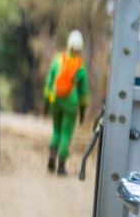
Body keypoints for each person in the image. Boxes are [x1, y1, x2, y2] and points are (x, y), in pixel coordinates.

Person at [43, 30, 89, 176]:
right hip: (71, 102)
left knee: (56, 129)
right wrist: (82, 111)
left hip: (55, 99)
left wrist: (46, 103)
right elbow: (84, 93)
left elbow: (49, 82)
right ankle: (61, 166)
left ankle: (52, 154)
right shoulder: (80, 66)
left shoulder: (58, 59)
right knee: (66, 133)